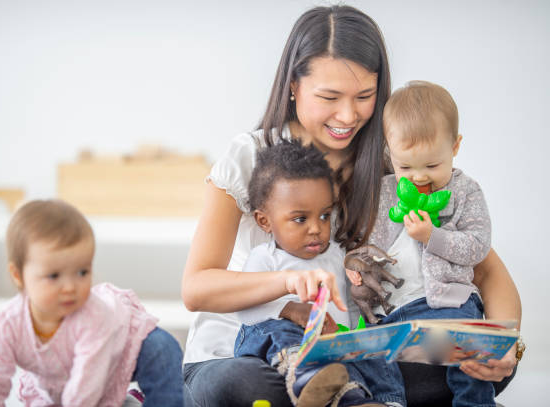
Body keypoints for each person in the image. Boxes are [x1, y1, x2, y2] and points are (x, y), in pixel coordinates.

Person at [181, 5, 521, 407]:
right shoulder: (253, 155)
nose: (348, 115)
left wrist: (507, 345)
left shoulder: (394, 168)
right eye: (329, 97)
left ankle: (350, 395)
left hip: (351, 356)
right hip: (242, 353)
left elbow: (484, 265)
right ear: (293, 86)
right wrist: (287, 285)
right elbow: (196, 288)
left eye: (364, 96)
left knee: (472, 371)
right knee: (246, 385)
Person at [346, 80, 497, 406]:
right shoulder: (384, 192)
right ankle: (389, 401)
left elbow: (477, 246)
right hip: (394, 313)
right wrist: (357, 266)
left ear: (455, 147)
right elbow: (365, 244)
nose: (418, 177)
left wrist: (433, 237)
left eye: (432, 165)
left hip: (449, 304)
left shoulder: (465, 192)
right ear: (389, 153)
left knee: (469, 354)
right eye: (405, 167)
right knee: (366, 358)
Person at [233, 139, 405, 406]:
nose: (316, 228)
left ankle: (383, 400)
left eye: (324, 216)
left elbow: (349, 306)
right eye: (300, 219)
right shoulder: (265, 258)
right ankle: (306, 376)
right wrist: (292, 311)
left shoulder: (337, 255)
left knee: (375, 345)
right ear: (265, 221)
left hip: (331, 345)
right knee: (276, 329)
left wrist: (349, 331)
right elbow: (245, 311)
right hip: (284, 345)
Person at [0, 200, 184, 407]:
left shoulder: (93, 315)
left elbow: (86, 387)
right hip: (64, 378)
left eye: (82, 272)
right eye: (54, 276)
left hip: (119, 347)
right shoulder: (8, 325)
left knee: (163, 350)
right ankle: (130, 400)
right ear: (18, 275)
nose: (70, 287)